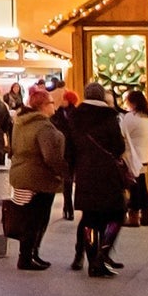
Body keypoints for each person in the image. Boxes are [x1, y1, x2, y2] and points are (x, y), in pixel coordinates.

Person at [68, 82, 129, 279]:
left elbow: (69, 148)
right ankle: (102, 254)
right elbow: (118, 147)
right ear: (102, 96)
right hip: (107, 173)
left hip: (85, 173)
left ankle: (92, 260)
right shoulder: (109, 116)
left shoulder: (75, 116)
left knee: (90, 218)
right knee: (117, 214)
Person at [9, 86, 68, 271]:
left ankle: (31, 254)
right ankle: (27, 257)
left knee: (29, 217)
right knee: (37, 218)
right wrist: (61, 171)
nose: (54, 106)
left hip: (22, 174)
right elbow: (50, 155)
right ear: (43, 106)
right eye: (51, 103)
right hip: (39, 177)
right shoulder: (43, 125)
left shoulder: (21, 122)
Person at [119, 89, 148, 228]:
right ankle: (145, 215)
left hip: (131, 156)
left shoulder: (130, 117)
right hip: (144, 155)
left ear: (132, 102)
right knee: (142, 184)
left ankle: (133, 216)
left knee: (133, 186)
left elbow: (122, 133)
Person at [52, 89, 80, 220]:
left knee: (69, 178)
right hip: (69, 150)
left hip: (70, 149)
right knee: (68, 178)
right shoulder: (61, 114)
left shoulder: (72, 114)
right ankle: (68, 206)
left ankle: (69, 206)